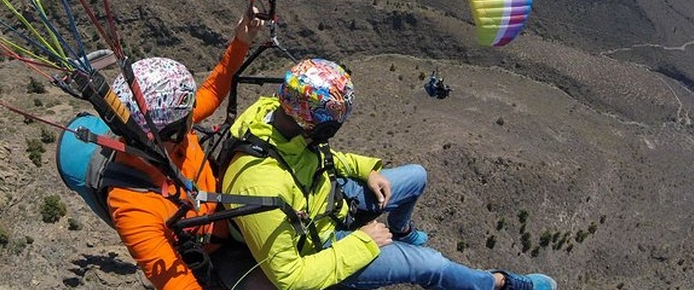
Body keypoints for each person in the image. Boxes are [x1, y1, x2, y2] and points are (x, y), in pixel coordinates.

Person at [221, 58, 558, 290]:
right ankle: (497, 282)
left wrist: (365, 169)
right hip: (322, 244)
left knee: (417, 176)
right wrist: (364, 242)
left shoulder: (277, 117)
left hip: (327, 199)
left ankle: (402, 229)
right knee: (431, 265)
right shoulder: (259, 185)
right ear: (313, 125)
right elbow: (290, 277)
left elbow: (320, 156)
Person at [105, 7, 263, 290]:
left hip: (227, 217)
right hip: (215, 256)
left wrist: (241, 41)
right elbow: (178, 284)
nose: (194, 117)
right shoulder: (132, 207)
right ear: (166, 131)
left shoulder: (166, 130)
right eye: (187, 116)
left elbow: (212, 92)